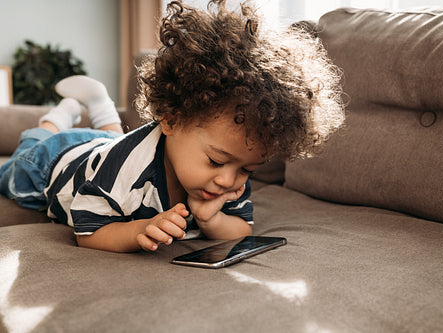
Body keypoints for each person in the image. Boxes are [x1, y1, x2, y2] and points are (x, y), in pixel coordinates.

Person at [0, 0, 344, 253]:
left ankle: (99, 105)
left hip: (106, 149)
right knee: (20, 162)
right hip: (54, 160)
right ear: (171, 118)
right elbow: (88, 232)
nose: (228, 180)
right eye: (215, 161)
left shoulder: (229, 172)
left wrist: (210, 219)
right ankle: (57, 117)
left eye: (247, 170)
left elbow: (241, 228)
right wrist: (137, 230)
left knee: (113, 143)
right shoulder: (124, 167)